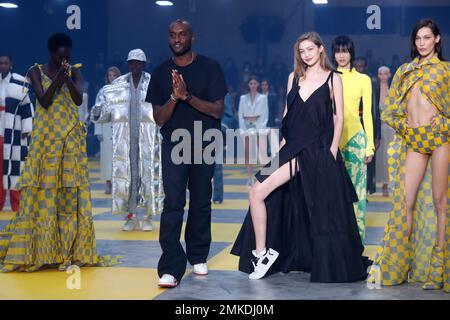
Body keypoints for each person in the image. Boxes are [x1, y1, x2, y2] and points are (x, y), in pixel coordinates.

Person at [231, 32, 370, 282]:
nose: (306, 55)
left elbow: (338, 117)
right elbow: (288, 112)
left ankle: (311, 258)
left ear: (320, 49)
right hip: (291, 146)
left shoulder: (333, 78)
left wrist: (332, 149)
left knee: (318, 209)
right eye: (302, 51)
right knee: (255, 191)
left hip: (317, 148)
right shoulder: (293, 77)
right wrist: (282, 143)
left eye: (310, 49)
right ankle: (262, 253)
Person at [0, 33, 115, 272]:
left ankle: (68, 249)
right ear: (52, 53)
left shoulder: (74, 71)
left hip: (70, 138)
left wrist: (68, 77)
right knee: (45, 192)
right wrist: (59, 78)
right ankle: (42, 248)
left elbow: (76, 100)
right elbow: (43, 100)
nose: (66, 60)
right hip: (46, 140)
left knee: (68, 194)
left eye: (68, 56)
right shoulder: (35, 71)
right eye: (62, 56)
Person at [368, 19, 450, 292]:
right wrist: (405, 128)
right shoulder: (405, 70)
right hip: (414, 138)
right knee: (405, 202)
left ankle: (439, 268)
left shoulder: (445, 71)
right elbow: (390, 109)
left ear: (437, 39)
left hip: (439, 137)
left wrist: (443, 124)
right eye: (418, 38)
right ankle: (400, 263)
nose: (422, 43)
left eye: (427, 37)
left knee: (441, 202)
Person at [146, 20, 227, 288]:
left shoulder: (210, 67)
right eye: (172, 35)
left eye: (182, 34)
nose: (177, 39)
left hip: (204, 142)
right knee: (173, 203)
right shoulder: (160, 73)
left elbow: (217, 110)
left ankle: (198, 255)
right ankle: (170, 267)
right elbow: (158, 118)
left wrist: (187, 95)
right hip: (174, 145)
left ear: (193, 37)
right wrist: (174, 96)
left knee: (202, 202)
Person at [91, 49, 163, 232]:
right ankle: (130, 216)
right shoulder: (117, 86)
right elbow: (104, 113)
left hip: (148, 140)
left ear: (144, 64)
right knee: (127, 177)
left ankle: (147, 216)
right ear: (128, 64)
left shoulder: (156, 84)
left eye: (139, 62)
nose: (135, 65)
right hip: (125, 141)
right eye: (132, 62)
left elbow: (165, 111)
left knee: (148, 175)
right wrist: (98, 111)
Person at [332, 36, 374, 243]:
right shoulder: (328, 78)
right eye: (338, 51)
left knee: (358, 194)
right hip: (331, 142)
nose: (341, 55)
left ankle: (356, 242)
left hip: (356, 140)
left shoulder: (363, 80)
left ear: (351, 53)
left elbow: (367, 114)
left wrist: (370, 147)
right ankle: (336, 241)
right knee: (332, 193)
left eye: (345, 51)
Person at [0, 54, 34, 212]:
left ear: (11, 65)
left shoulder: (19, 81)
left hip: (14, 131)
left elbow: (27, 107)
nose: (3, 66)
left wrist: (27, 129)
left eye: (6, 63)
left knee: (16, 168)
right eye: (1, 63)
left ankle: (17, 205)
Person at [94, 66, 121, 195]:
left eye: (114, 75)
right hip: (105, 127)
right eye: (110, 75)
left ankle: (118, 184)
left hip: (119, 128)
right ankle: (108, 183)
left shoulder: (123, 91)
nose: (112, 78)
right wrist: (98, 130)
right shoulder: (102, 91)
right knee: (106, 158)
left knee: (119, 157)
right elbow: (96, 111)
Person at [238, 76, 269, 187]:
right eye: (251, 83)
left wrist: (257, 125)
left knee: (262, 154)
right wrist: (243, 130)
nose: (253, 85)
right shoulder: (242, 98)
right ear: (248, 85)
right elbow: (241, 115)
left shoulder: (263, 98)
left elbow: (265, 115)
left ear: (258, 85)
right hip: (246, 129)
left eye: (255, 83)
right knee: (248, 155)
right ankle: (250, 178)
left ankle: (263, 178)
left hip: (259, 129)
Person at [374, 66, 393, 197]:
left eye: (385, 73)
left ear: (390, 75)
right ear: (378, 76)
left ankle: (393, 185)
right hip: (380, 129)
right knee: (381, 158)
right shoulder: (374, 91)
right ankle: (384, 185)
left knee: (391, 157)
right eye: (381, 74)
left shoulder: (394, 91)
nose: (383, 76)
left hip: (392, 129)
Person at [213, 93, 235, 204]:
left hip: (215, 132)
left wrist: (220, 128)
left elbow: (229, 115)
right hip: (196, 131)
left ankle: (217, 196)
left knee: (217, 166)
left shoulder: (222, 92)